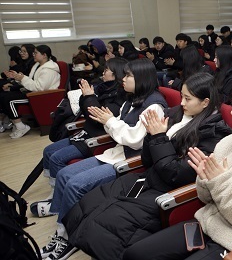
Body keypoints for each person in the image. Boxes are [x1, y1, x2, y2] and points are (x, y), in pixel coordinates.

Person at [122, 74, 232, 260]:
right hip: (206, 224)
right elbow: (205, 198)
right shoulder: (231, 141)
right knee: (135, 254)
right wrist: (205, 178)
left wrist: (220, 181)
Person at [62, 73, 232, 260]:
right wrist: (151, 136)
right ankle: (70, 241)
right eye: (181, 96)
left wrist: (159, 138)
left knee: (109, 223)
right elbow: (147, 160)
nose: (181, 102)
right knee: (91, 202)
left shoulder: (214, 134)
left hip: (167, 190)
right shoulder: (176, 114)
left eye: (187, 98)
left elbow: (176, 175)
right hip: (147, 179)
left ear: (205, 102)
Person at [35, 59, 168, 260]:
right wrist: (108, 121)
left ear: (141, 78)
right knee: (63, 174)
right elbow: (117, 130)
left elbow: (135, 140)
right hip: (115, 152)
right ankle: (64, 226)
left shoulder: (154, 106)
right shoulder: (132, 99)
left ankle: (66, 238)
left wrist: (110, 121)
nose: (123, 79)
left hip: (127, 160)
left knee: (74, 185)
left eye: (128, 75)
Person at [38, 58, 128, 201]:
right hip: (85, 133)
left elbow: (96, 116)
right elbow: (84, 109)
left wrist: (89, 96)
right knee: (48, 151)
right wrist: (86, 96)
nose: (103, 73)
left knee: (56, 158)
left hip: (97, 137)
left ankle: (57, 196)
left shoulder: (121, 96)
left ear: (116, 74)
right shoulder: (104, 87)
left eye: (106, 70)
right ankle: (55, 189)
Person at [0, 45, 60, 138]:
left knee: (9, 99)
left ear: (44, 55)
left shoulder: (48, 70)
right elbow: (32, 82)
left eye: (36, 53)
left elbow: (39, 88)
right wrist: (18, 77)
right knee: (4, 95)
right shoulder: (37, 66)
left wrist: (23, 78)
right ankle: (16, 124)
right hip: (33, 93)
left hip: (41, 96)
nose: (33, 55)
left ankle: (20, 126)